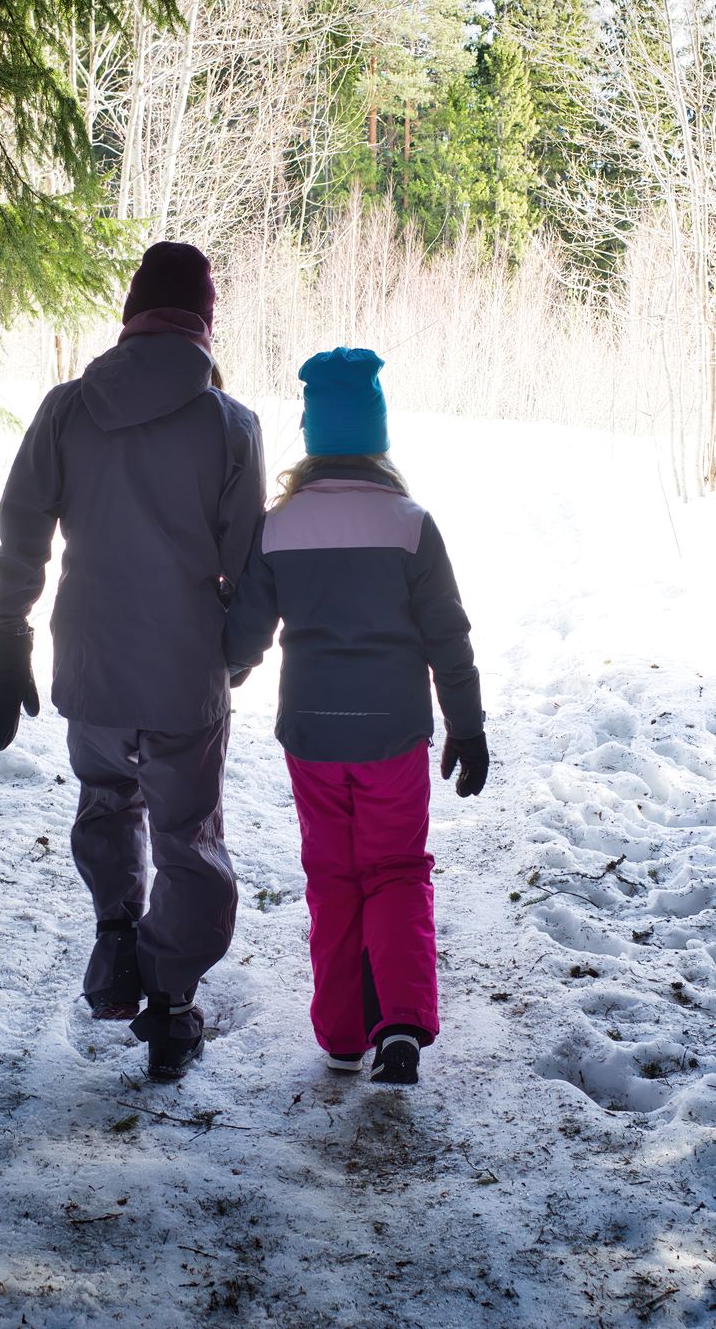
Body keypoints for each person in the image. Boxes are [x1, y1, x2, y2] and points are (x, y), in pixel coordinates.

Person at [0, 242, 265, 1080]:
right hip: (184, 686)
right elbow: (249, 567)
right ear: (205, 325)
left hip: (92, 675)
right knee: (188, 839)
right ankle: (171, 1005)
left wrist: (8, 637)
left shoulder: (68, 408)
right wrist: (232, 660)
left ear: (132, 313)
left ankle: (115, 939)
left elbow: (22, 526)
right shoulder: (231, 426)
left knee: (108, 803)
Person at [222, 347, 488, 1086]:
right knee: (396, 871)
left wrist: (223, 670)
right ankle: (398, 1024)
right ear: (378, 433)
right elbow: (448, 633)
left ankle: (342, 1035)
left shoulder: (279, 526)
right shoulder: (410, 523)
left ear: (312, 434)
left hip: (311, 732)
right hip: (392, 732)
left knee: (332, 877)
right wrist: (467, 723)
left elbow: (244, 634)